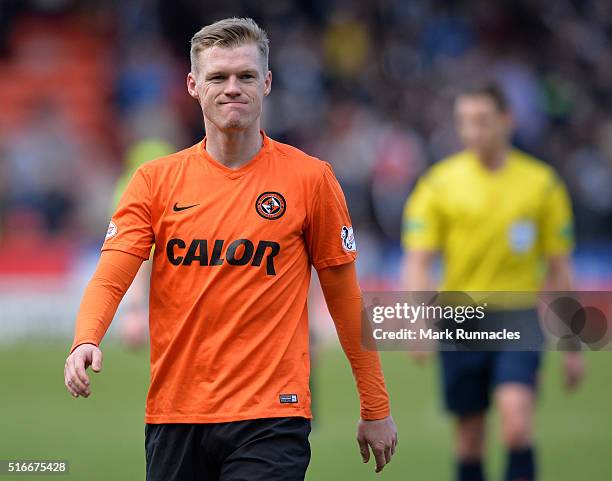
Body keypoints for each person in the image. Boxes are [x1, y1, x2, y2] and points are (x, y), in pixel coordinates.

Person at [64, 17, 397, 481]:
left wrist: (375, 405)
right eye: (218, 77)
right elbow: (111, 274)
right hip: (175, 414)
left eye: (245, 76)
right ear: (193, 85)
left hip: (272, 414)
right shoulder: (154, 181)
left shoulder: (311, 179)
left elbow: (345, 297)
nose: (232, 88)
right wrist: (86, 338)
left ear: (267, 82)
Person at [401, 84, 585, 481]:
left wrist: (572, 343)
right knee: (469, 438)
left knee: (516, 424)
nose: (472, 131)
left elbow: (560, 267)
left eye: (482, 120)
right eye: (464, 122)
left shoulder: (542, 184)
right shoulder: (438, 184)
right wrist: (416, 321)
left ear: (507, 120)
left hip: (517, 317)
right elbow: (419, 260)